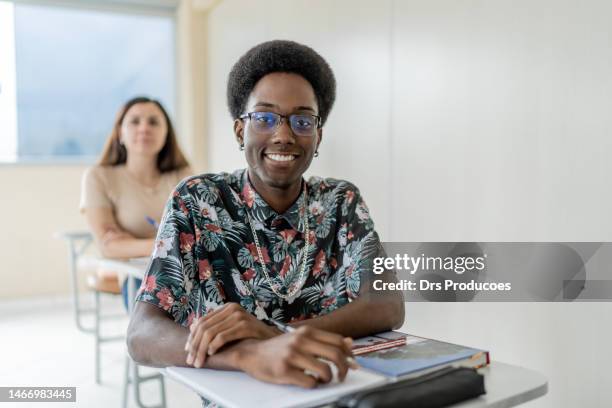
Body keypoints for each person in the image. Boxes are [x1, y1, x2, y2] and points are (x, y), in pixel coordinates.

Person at [127, 40, 404, 395]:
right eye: (265, 118)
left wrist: (277, 334)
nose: (284, 135)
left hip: (336, 391)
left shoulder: (340, 200)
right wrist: (249, 355)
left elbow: (387, 304)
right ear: (240, 131)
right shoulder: (198, 200)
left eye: (302, 120)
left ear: (318, 136)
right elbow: (141, 335)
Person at [80, 96, 192, 306]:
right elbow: (109, 246)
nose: (144, 128)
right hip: (137, 276)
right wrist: (163, 244)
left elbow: (195, 233)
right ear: (120, 132)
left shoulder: (182, 175)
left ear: (166, 134)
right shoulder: (98, 177)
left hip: (186, 268)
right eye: (134, 121)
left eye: (153, 122)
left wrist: (130, 243)